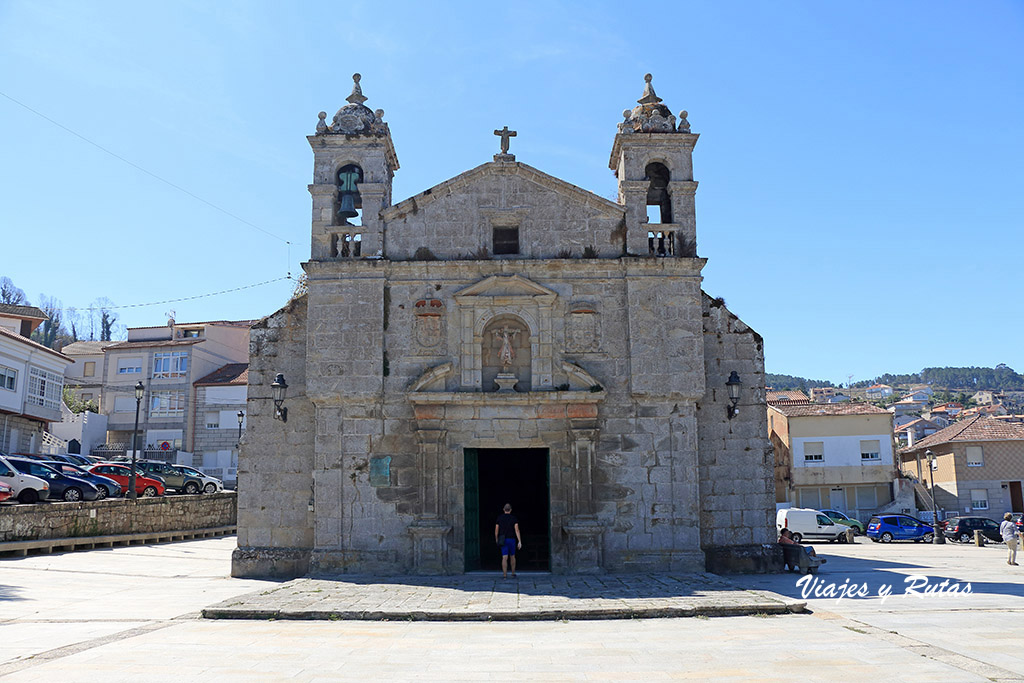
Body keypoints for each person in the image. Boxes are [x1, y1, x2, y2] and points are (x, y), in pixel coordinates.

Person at [495, 503, 522, 578]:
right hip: (512, 539)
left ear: (504, 510)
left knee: (504, 557)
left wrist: (496, 538)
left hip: (503, 539)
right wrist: (519, 541)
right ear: (510, 510)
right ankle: (513, 573)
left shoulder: (499, 518)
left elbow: (496, 530)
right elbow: (517, 530)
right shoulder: (514, 518)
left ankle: (504, 575)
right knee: (512, 556)